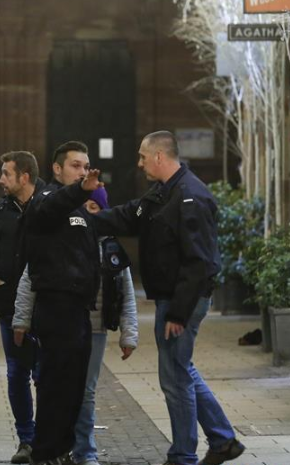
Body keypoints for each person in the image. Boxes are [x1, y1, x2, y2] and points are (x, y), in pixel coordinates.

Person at [91, 131, 245, 465]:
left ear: (160, 156)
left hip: (181, 301)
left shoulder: (190, 196)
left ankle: (183, 456)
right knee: (180, 369)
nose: (139, 163)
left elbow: (199, 263)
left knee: (174, 379)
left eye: (143, 156)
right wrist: (84, 221)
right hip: (171, 298)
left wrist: (178, 313)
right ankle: (222, 440)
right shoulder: (164, 192)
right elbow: (129, 216)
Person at [13, 186, 139, 465]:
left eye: (95, 208)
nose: (89, 214)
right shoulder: (61, 238)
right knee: (59, 387)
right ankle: (64, 447)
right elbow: (29, 280)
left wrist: (129, 334)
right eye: (85, 208)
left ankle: (84, 449)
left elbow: (126, 293)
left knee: (85, 391)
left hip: (96, 329)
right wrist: (21, 319)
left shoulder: (112, 249)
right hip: (67, 323)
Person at [23, 141, 103, 465]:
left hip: (79, 308)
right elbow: (51, 208)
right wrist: (80, 191)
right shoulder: (46, 198)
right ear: (57, 169)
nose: (82, 172)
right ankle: (44, 453)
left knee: (74, 388)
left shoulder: (81, 208)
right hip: (56, 306)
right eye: (75, 166)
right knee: (55, 386)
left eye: (86, 166)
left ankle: (62, 450)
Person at [0, 151, 44, 463]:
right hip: (8, 307)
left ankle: (48, 439)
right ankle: (26, 440)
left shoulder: (47, 204)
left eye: (6, 173)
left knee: (44, 375)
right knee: (17, 373)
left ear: (24, 177)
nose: (0, 179)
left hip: (43, 309)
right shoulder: (2, 208)